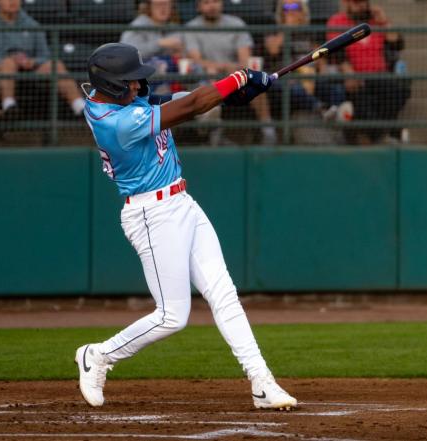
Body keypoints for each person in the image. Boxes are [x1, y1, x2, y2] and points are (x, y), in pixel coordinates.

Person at [76, 42, 297, 410]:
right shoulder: (112, 122)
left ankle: (262, 381)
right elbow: (190, 106)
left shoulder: (127, 102)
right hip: (151, 215)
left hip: (182, 204)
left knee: (224, 294)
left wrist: (231, 96)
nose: (137, 86)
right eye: (130, 81)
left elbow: (184, 99)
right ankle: (99, 355)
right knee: (172, 316)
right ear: (112, 84)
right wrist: (238, 78)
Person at [0, 0, 86, 118]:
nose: (13, 2)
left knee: (56, 64)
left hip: (30, 72)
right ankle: (9, 106)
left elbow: (45, 55)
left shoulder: (31, 24)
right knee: (9, 63)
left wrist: (32, 61)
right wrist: (6, 60)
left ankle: (80, 107)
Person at [184, 0, 278, 146]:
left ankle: (268, 131)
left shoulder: (236, 23)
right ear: (199, 6)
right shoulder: (191, 27)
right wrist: (224, 66)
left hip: (233, 77)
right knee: (208, 81)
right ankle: (213, 138)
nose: (212, 6)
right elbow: (196, 60)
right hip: (206, 79)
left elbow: (245, 60)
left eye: (215, 1)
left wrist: (229, 69)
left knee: (256, 82)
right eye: (206, 2)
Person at [327, 0, 410, 145]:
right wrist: (348, 72)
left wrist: (384, 21)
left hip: (380, 76)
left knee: (401, 91)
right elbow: (336, 52)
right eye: (357, 3)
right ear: (346, 3)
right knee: (361, 100)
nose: (362, 6)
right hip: (357, 77)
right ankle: (388, 133)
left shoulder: (375, 21)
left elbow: (397, 44)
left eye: (364, 2)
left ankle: (379, 134)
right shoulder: (337, 21)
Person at [264, 0, 351, 124]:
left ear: (302, 11)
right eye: (286, 8)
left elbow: (321, 57)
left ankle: (337, 114)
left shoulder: (310, 33)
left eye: (294, 7)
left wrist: (322, 70)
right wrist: (287, 28)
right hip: (287, 80)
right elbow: (273, 49)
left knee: (336, 88)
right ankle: (321, 108)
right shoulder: (274, 30)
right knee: (295, 88)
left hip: (310, 78)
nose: (290, 11)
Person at [120, 0, 184, 95]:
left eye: (166, 4)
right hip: (138, 77)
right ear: (149, 6)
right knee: (161, 63)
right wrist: (160, 43)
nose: (163, 8)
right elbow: (126, 53)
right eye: (158, 4)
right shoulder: (140, 23)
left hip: (167, 77)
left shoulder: (172, 26)